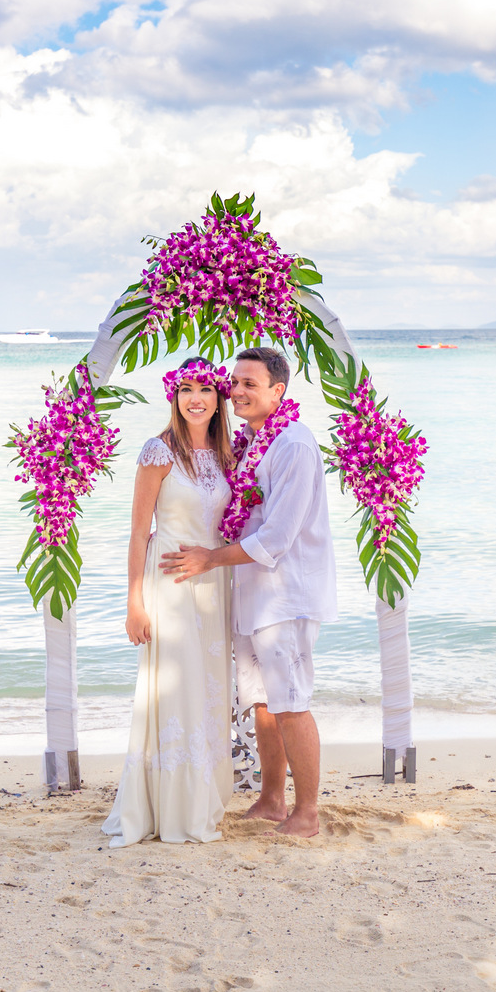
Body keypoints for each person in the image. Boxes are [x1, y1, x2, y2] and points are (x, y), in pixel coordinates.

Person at [160, 346, 337, 838]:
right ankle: (272, 798)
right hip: (252, 594)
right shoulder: (252, 441)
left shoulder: (294, 445)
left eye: (249, 384)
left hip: (288, 595)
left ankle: (307, 813)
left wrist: (208, 558)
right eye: (234, 383)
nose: (236, 391)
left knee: (291, 701)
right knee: (262, 701)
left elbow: (279, 536)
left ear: (278, 391)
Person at [102, 357, 236, 846]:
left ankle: (201, 799)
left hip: (212, 587)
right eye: (185, 389)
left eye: (204, 389)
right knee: (175, 693)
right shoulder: (158, 451)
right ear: (173, 397)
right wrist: (134, 603)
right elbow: (138, 533)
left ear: (220, 398)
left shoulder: (226, 454)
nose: (194, 398)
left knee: (207, 691)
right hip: (169, 585)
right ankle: (167, 808)